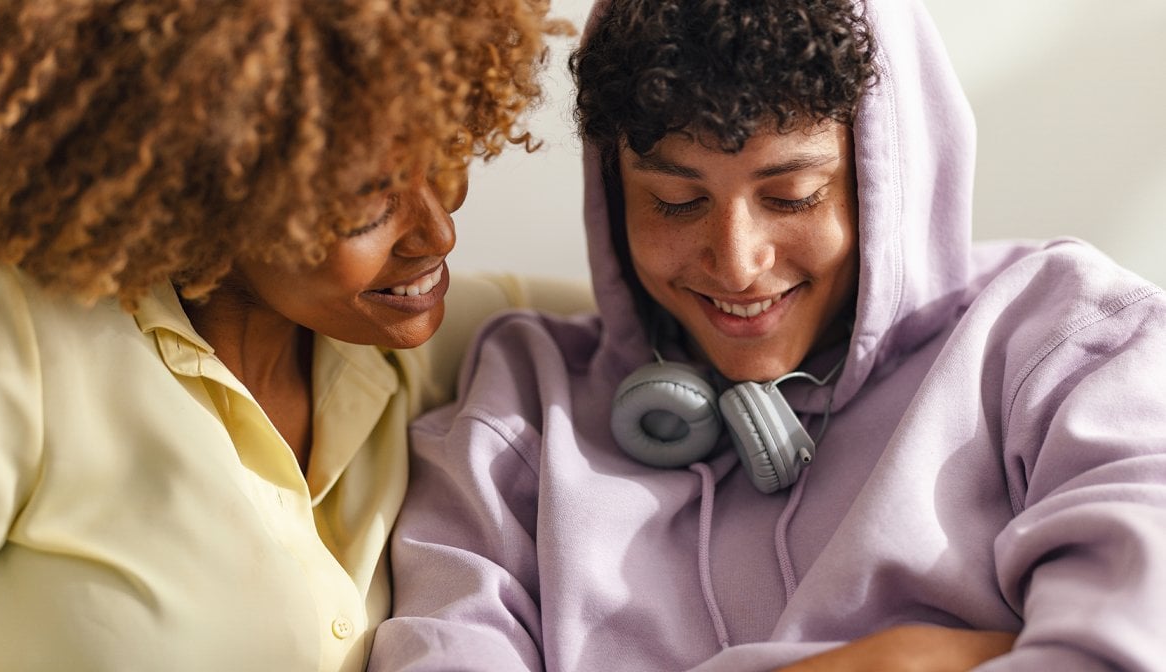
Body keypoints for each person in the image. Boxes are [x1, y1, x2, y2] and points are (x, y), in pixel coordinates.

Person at [368, 0, 1166, 669]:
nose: (738, 263)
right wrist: (896, 662)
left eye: (793, 195)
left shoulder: (1069, 346)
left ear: (886, 176)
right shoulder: (521, 406)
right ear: (613, 196)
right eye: (674, 202)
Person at [0, 1, 592, 670]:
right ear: (208, 189)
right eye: (366, 201)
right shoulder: (16, 343)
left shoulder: (426, 340)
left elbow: (672, 310)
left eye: (444, 153)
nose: (438, 233)